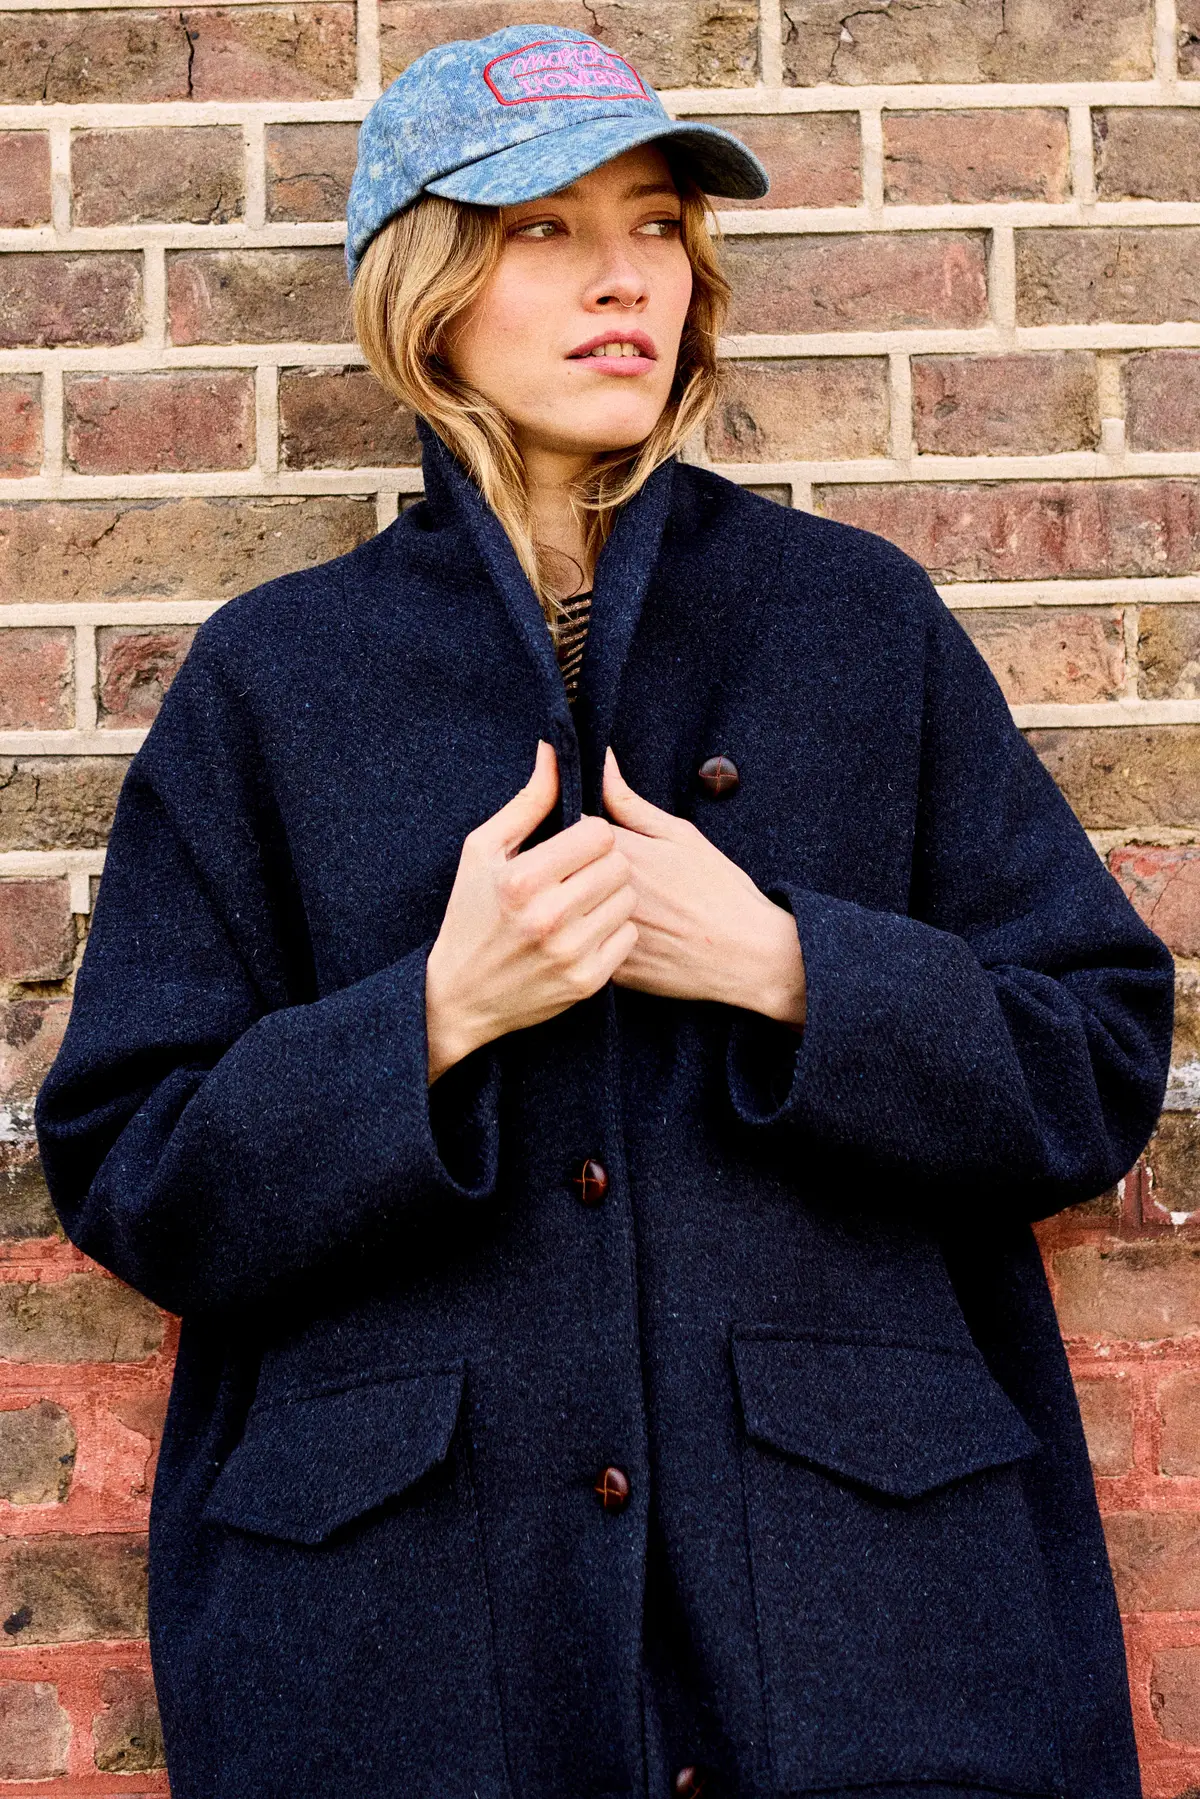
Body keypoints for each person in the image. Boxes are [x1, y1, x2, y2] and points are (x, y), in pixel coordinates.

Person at [35, 22, 1174, 1799]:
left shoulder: (854, 622)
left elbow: (1097, 1054)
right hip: (412, 1644)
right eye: (544, 231)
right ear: (427, 293)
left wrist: (786, 966)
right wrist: (435, 1015)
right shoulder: (277, 679)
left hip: (861, 1619)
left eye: (654, 227)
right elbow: (130, 1160)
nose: (623, 278)